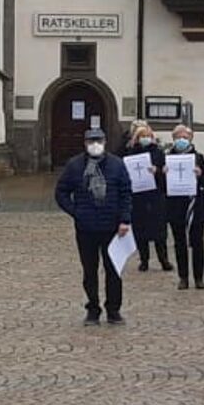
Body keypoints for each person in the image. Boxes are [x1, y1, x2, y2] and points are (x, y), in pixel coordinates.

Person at [54, 127, 132, 326]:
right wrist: (75, 211)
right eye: (91, 141)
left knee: (113, 271)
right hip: (86, 227)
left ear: (105, 142)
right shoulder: (75, 166)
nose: (95, 145)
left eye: (98, 141)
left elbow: (126, 193)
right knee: (89, 270)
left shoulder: (116, 165)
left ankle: (113, 309)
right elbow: (61, 192)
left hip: (112, 227)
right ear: (85, 144)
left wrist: (125, 219)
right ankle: (93, 308)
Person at [165, 125, 204, 290]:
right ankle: (183, 277)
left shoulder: (198, 157)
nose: (181, 140)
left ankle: (199, 277)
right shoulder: (168, 158)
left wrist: (200, 175)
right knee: (179, 243)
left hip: (195, 205)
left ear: (191, 139)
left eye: (185, 137)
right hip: (175, 206)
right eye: (178, 137)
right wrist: (163, 174)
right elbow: (162, 186)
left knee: (197, 243)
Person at [124, 123, 170, 272]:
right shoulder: (131, 153)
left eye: (148, 136)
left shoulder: (158, 153)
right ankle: (144, 260)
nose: (145, 139)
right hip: (138, 196)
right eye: (142, 136)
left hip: (156, 195)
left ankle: (164, 259)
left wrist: (158, 171)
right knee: (140, 230)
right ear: (137, 138)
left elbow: (165, 175)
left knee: (159, 231)